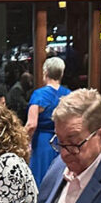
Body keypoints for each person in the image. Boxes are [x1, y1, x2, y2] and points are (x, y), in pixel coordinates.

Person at [26, 56, 72, 185]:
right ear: (61, 73)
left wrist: (22, 141)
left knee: (41, 179)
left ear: (45, 72)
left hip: (42, 143)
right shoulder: (69, 94)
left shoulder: (39, 95)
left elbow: (31, 125)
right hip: (63, 142)